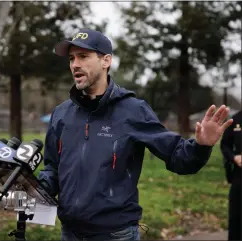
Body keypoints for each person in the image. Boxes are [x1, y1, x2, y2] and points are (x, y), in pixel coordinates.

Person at [38, 29, 233, 241]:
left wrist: (201, 145)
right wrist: (32, 189)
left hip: (116, 234)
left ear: (106, 61)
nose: (75, 64)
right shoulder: (61, 114)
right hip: (70, 233)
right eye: (71, 58)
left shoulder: (133, 111)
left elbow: (179, 157)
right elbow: (53, 168)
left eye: (83, 56)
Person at [220, 110, 241, 241]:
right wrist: (234, 157)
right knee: (236, 216)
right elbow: (224, 145)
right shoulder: (235, 120)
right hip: (239, 176)